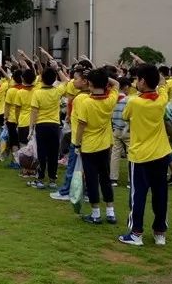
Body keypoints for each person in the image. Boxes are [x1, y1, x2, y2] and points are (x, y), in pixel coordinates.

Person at [119, 62, 171, 247]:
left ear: (142, 81)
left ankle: (136, 233)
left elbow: (125, 116)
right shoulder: (161, 99)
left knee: (138, 195)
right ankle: (160, 233)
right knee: (160, 195)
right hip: (161, 154)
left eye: (137, 79)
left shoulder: (134, 101)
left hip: (140, 156)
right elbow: (163, 85)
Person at [74, 67, 119, 224]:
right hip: (105, 145)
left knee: (92, 180)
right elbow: (117, 84)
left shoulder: (86, 103)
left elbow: (81, 126)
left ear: (90, 84)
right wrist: (104, 76)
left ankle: (95, 213)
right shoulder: (110, 100)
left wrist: (76, 144)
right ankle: (110, 211)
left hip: (88, 146)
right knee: (105, 178)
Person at [50, 67, 89, 201]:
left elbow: (81, 121)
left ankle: (67, 190)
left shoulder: (80, 99)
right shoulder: (96, 97)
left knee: (73, 167)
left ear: (85, 81)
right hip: (93, 140)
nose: (73, 81)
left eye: (76, 78)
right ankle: (86, 193)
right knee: (88, 168)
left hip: (78, 138)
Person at [28, 60, 69, 189]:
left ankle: (40, 179)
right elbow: (66, 81)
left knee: (42, 152)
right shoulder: (56, 91)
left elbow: (34, 113)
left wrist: (30, 129)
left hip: (41, 125)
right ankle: (52, 180)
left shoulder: (38, 93)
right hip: (54, 126)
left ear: (42, 79)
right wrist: (58, 69)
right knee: (53, 153)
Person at [110, 77, 132, 186]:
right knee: (131, 155)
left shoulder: (112, 98)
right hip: (128, 131)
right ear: (126, 87)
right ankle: (130, 180)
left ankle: (113, 179)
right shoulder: (128, 100)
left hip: (115, 129)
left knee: (115, 154)